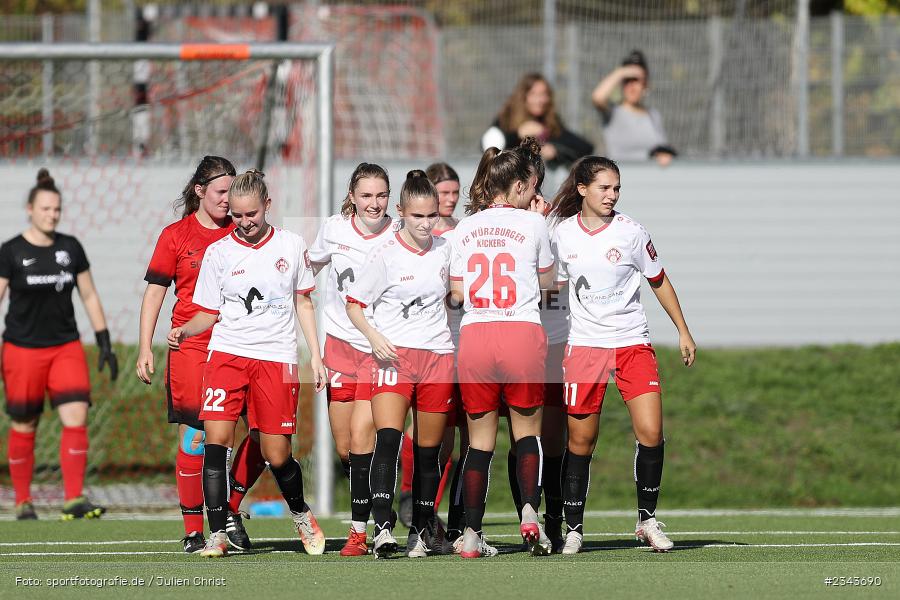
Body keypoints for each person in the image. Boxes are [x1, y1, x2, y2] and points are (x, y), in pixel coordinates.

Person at [167, 170, 326, 558]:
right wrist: (186, 330)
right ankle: (217, 534)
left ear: (267, 206)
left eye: (251, 213)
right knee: (216, 443)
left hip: (276, 359)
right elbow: (208, 312)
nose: (244, 222)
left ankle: (302, 514)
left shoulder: (290, 245)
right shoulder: (219, 252)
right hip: (227, 355)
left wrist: (316, 357)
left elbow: (304, 302)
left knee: (276, 454)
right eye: (237, 215)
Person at [549, 156, 696, 554]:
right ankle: (574, 527)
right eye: (604, 188)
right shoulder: (561, 235)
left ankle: (647, 520)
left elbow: (659, 280)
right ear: (582, 189)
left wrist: (683, 331)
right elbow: (552, 294)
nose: (612, 195)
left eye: (617, 188)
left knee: (651, 433)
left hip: (632, 344)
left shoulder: (632, 233)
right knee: (581, 441)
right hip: (583, 348)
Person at [137, 156, 267, 553]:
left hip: (242, 345)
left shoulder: (245, 233)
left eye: (233, 191)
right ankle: (195, 529)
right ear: (199, 191)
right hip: (192, 349)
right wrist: (146, 345)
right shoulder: (176, 235)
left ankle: (226, 509)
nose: (229, 200)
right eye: (221, 191)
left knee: (267, 434)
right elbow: (156, 292)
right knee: (196, 438)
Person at [449, 143, 557, 558]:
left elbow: (457, 292)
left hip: (476, 336)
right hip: (521, 332)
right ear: (516, 186)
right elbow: (548, 286)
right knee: (527, 434)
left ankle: (472, 535)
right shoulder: (534, 225)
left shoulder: (465, 227)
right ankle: (530, 514)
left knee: (479, 443)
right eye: (530, 188)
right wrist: (539, 224)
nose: (534, 196)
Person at [345, 170, 456, 558]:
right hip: (393, 357)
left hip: (438, 358)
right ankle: (382, 530)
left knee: (428, 453)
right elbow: (354, 304)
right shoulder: (386, 255)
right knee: (388, 441)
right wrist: (375, 337)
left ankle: (421, 534)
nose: (426, 224)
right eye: (417, 217)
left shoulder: (447, 247)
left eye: (432, 216)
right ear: (401, 213)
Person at [0, 168, 118, 521]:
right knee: (25, 424)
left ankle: (73, 498)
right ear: (30, 209)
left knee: (76, 414)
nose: (52, 215)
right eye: (45, 209)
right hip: (21, 349)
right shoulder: (11, 251)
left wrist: (104, 341)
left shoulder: (70, 248)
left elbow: (90, 294)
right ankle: (22, 501)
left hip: (65, 347)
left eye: (57, 210)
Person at [308, 163, 396, 556]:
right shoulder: (333, 229)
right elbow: (306, 269)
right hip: (340, 347)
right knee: (347, 448)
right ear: (352, 196)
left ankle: (373, 526)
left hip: (380, 351)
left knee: (366, 437)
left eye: (381, 195)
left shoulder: (401, 232)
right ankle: (375, 509)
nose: (374, 204)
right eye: (366, 196)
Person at [396, 161, 459, 531]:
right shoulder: (412, 235)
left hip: (455, 346)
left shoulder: (461, 235)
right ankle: (404, 496)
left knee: (446, 437)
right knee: (403, 432)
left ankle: (428, 512)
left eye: (454, 193)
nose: (449, 200)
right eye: (443, 193)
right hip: (409, 347)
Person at [481, 72, 592, 169]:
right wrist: (518, 134)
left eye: (544, 94)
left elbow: (585, 147)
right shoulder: (507, 118)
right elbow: (488, 149)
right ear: (523, 97)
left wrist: (553, 149)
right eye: (534, 94)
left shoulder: (550, 122)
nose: (540, 100)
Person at [591, 50, 676, 166]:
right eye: (627, 80)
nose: (631, 85)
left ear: (645, 84)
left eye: (636, 80)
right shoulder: (613, 112)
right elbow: (597, 97)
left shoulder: (653, 115)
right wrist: (621, 72)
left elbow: (661, 147)